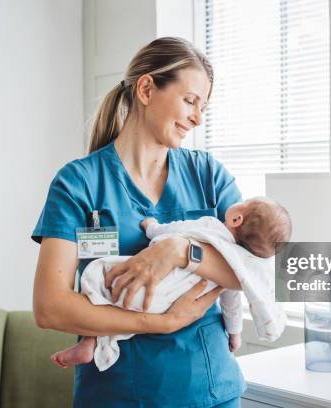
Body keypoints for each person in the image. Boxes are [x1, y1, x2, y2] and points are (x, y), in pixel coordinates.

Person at [32, 37, 250, 407]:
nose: (197, 117)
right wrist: (159, 323)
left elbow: (256, 267)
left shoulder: (208, 175)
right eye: (190, 100)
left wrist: (181, 250)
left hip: (211, 392)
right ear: (147, 88)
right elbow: (50, 306)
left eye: (203, 107)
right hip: (118, 395)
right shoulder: (79, 183)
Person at [50, 197, 292, 371]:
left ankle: (90, 340)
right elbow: (233, 298)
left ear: (237, 218)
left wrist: (153, 228)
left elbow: (175, 229)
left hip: (145, 287)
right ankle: (94, 342)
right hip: (167, 304)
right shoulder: (235, 263)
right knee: (122, 311)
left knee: (98, 278)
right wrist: (235, 332)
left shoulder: (211, 224)